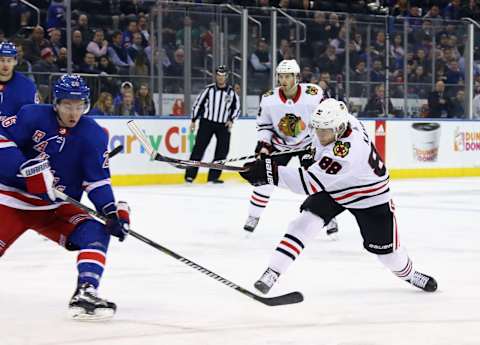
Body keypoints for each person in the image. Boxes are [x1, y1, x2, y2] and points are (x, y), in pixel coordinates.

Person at [239, 99, 438, 295]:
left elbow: (309, 182)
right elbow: (316, 148)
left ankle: (410, 274)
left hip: (369, 197)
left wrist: (268, 172)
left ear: (340, 128)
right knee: (304, 223)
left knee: (388, 256)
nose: (319, 133)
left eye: (324, 131)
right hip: (336, 187)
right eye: (317, 129)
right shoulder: (338, 122)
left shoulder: (347, 151)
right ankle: (273, 271)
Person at [0, 74, 131, 320]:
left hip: (56, 207)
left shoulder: (94, 134)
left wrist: (112, 212)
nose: (74, 112)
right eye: (68, 105)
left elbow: (97, 181)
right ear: (56, 103)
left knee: (95, 232)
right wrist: (24, 171)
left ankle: (86, 291)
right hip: (12, 201)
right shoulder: (31, 115)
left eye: (79, 105)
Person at [243, 59, 339, 237]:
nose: (284, 80)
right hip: (280, 145)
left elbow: (328, 114)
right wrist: (264, 145)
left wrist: (324, 141)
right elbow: (264, 126)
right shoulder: (269, 99)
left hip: (308, 144)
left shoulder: (313, 93)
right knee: (264, 177)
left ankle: (328, 215)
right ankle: (253, 216)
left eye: (288, 76)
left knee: (318, 180)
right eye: (281, 76)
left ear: (297, 77)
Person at [184, 65, 240, 184]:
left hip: (223, 125)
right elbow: (198, 105)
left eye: (223, 76)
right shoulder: (208, 90)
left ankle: (213, 177)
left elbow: (237, 109)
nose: (221, 78)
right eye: (219, 76)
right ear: (215, 76)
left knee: (222, 151)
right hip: (207, 123)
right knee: (199, 149)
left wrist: (231, 119)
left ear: (227, 77)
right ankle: (190, 176)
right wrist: (193, 120)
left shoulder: (232, 93)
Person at [0, 41, 38, 115]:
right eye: (2, 60)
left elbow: (33, 115)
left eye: (9, 60)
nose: (5, 64)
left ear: (15, 61)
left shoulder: (27, 86)